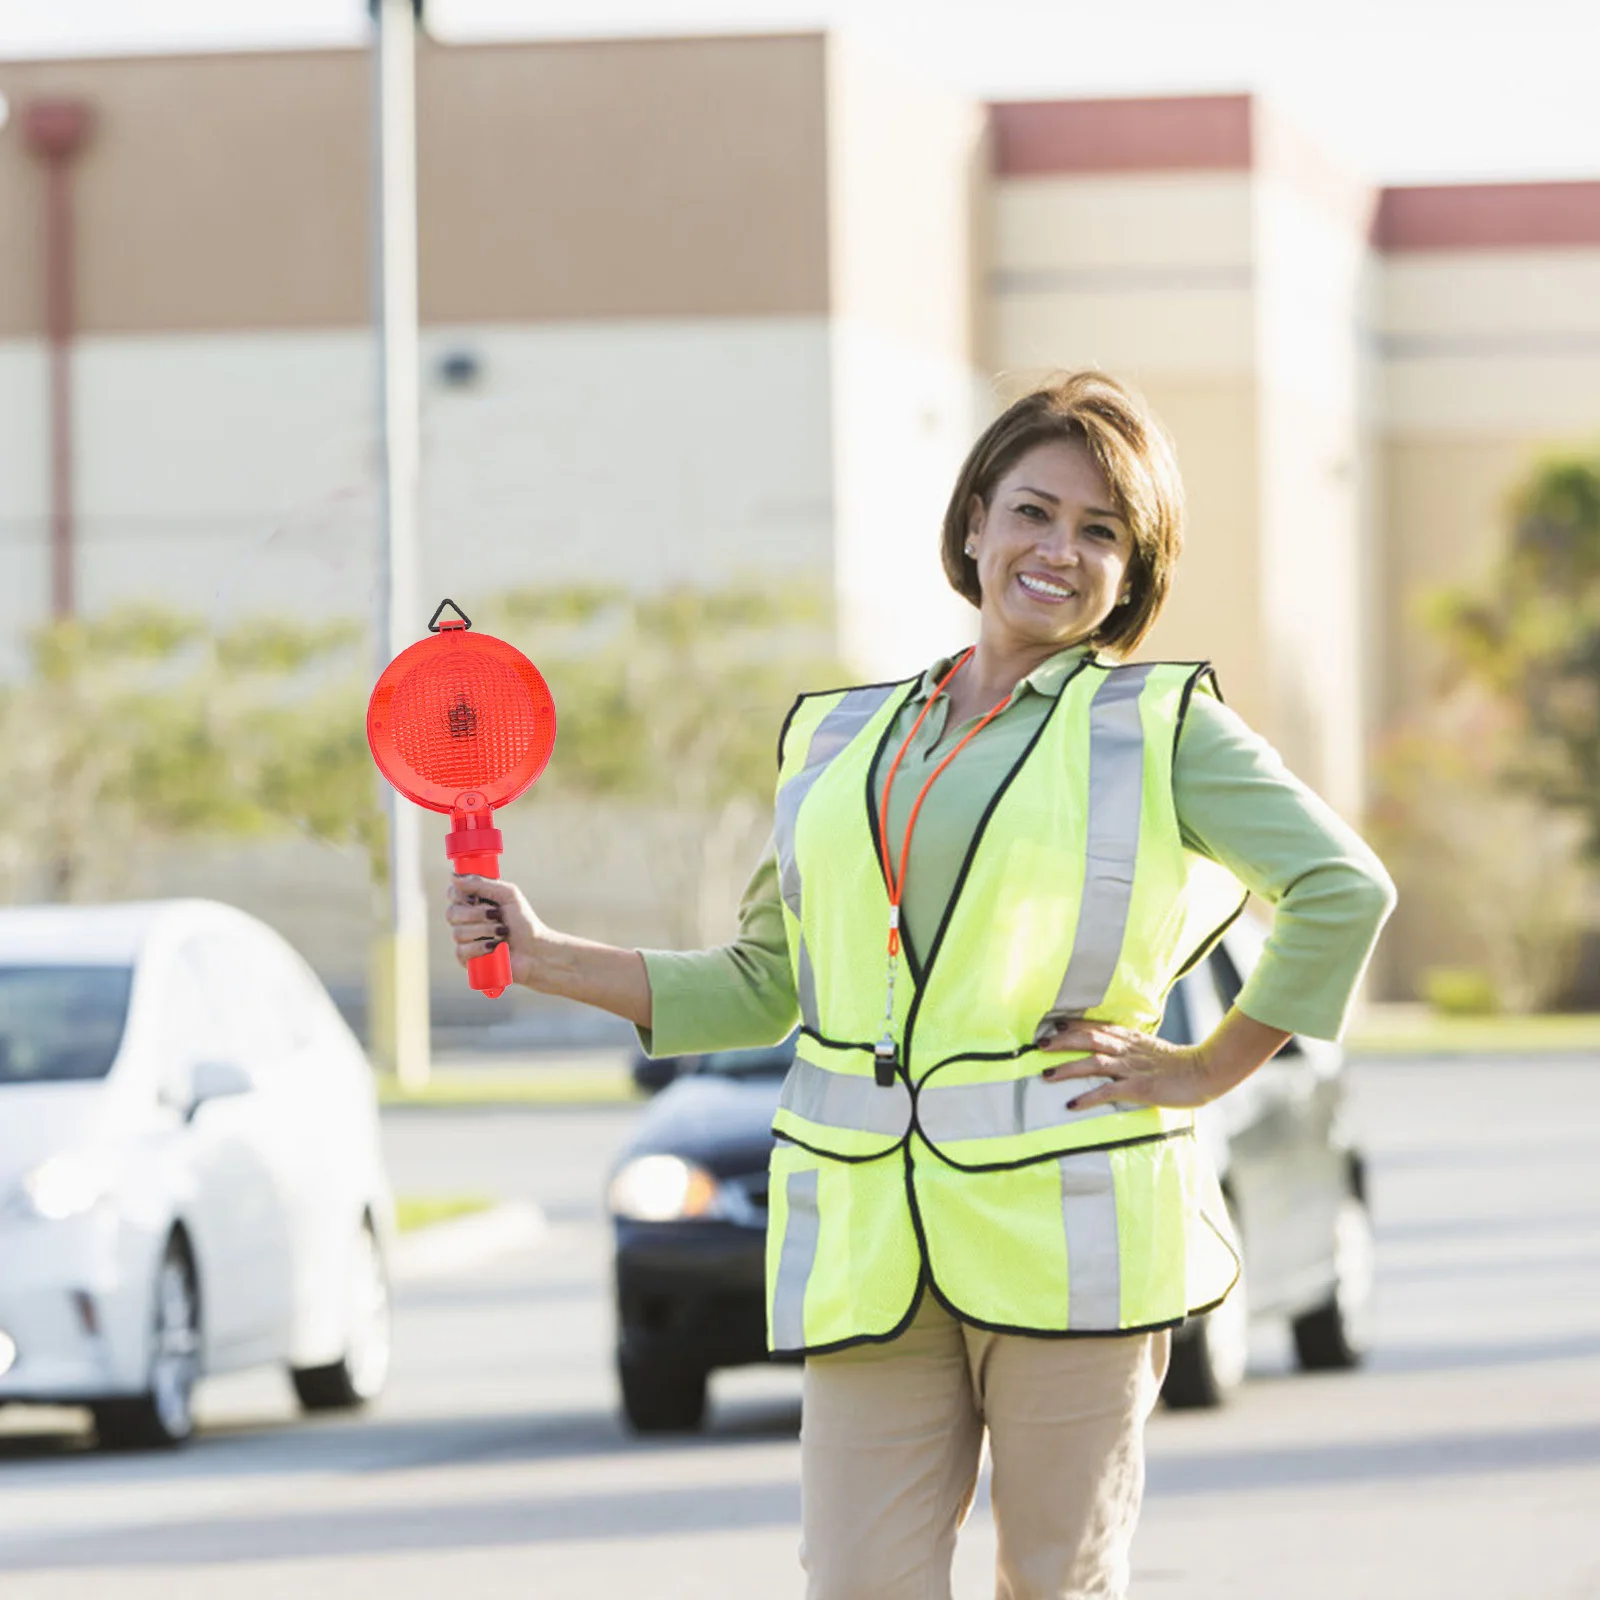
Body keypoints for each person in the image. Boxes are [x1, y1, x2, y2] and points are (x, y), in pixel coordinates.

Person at [446, 371, 1397, 1600]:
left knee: (1054, 1582)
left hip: (1073, 1244)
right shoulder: (839, 740)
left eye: (1101, 531)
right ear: (974, 521)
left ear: (1132, 572)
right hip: (872, 1247)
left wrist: (1205, 1068)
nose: (1058, 549)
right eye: (1033, 511)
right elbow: (762, 984)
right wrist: (541, 953)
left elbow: (1341, 886)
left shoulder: (1159, 728)